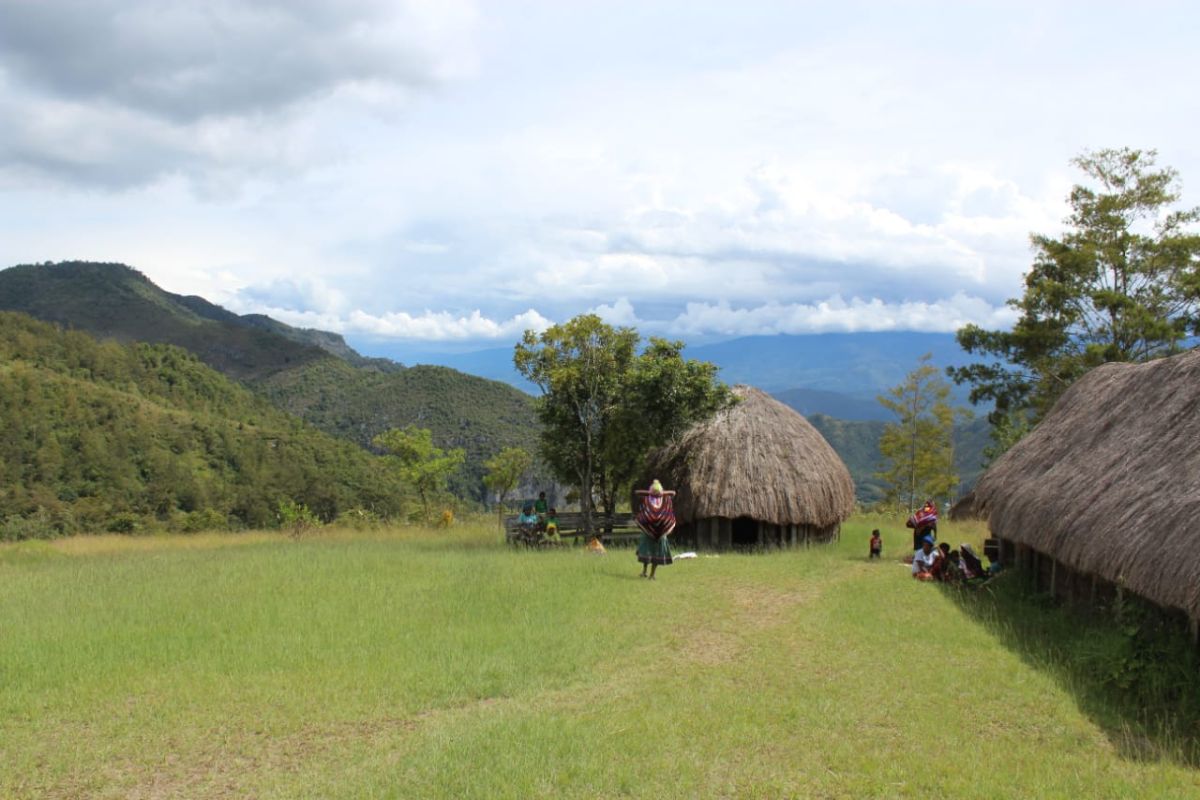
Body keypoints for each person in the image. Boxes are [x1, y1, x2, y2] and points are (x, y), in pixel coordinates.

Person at [634, 479, 676, 579]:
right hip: (656, 533)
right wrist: (658, 493)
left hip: (655, 533)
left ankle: (650, 574)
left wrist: (656, 493)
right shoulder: (651, 499)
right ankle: (647, 573)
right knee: (650, 553)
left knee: (654, 554)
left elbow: (674, 493)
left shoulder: (663, 500)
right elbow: (637, 492)